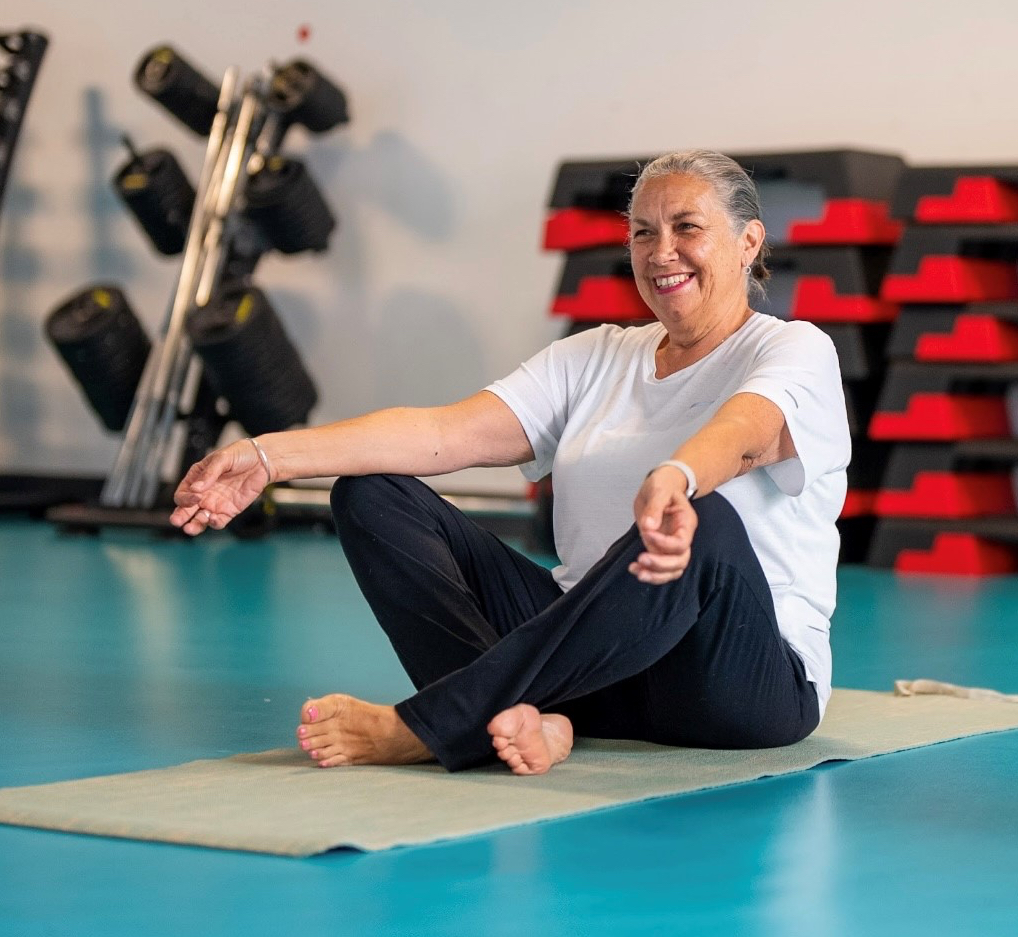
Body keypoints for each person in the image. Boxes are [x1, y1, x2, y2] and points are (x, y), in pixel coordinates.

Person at [170, 149, 851, 776]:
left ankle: (439, 724)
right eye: (642, 232)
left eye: (686, 227)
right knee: (373, 494)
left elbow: (743, 431)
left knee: (704, 521)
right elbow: (442, 432)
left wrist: (676, 476)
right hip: (593, 672)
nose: (661, 251)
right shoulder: (597, 356)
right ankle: (527, 718)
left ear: (748, 243)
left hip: (736, 684)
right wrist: (267, 455)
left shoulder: (792, 350)